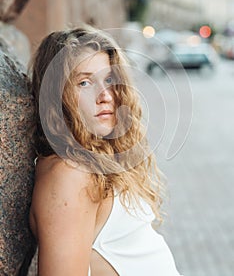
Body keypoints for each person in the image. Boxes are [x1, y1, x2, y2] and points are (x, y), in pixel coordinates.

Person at [29, 25, 182, 276]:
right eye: (85, 82)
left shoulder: (92, 160)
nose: (106, 96)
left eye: (110, 80)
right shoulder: (69, 175)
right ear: (56, 95)